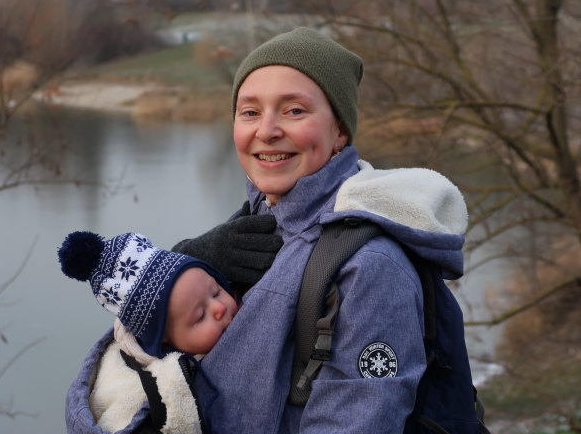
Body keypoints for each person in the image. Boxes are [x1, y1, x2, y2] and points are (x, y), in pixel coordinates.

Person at [65, 27, 470, 434]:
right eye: (250, 111)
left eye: (294, 110)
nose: (267, 130)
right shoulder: (260, 219)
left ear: (340, 132)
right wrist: (190, 262)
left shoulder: (371, 268)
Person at [57, 231, 239, 434]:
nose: (219, 308)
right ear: (163, 342)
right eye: (200, 316)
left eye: (216, 291)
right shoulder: (145, 402)